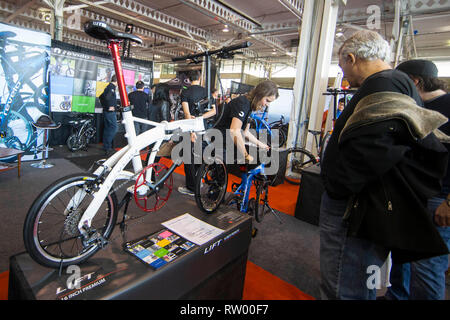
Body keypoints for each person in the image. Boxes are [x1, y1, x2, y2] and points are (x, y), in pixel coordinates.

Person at [319, 30, 449, 300]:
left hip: (352, 208)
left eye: (343, 67)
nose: (343, 75)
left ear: (352, 58)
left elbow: (373, 148)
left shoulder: (384, 83)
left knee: (344, 288)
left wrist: (337, 185)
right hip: (364, 206)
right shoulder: (399, 83)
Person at [383, 59, 450, 300]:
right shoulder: (413, 106)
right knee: (403, 257)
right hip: (410, 194)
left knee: (427, 267)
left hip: (438, 199)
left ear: (413, 81)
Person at [215, 79, 277, 162]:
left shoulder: (250, 107)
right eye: (267, 100)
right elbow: (234, 131)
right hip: (218, 139)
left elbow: (245, 132)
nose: (267, 104)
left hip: (227, 140)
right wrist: (246, 155)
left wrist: (262, 145)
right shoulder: (243, 103)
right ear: (260, 95)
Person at [178, 70, 216, 196]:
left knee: (189, 158)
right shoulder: (207, 92)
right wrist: (201, 118)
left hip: (190, 128)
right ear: (200, 78)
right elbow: (214, 111)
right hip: (203, 128)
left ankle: (191, 187)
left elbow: (187, 113)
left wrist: (192, 129)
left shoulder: (185, 92)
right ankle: (198, 181)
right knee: (199, 155)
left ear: (188, 79)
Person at [99, 74, 118, 155]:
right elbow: (107, 98)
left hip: (107, 111)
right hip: (110, 112)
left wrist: (106, 107)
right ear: (117, 81)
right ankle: (108, 147)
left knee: (108, 128)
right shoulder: (111, 88)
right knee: (114, 128)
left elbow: (101, 97)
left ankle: (106, 146)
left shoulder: (109, 86)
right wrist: (109, 106)